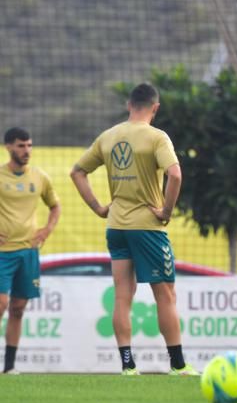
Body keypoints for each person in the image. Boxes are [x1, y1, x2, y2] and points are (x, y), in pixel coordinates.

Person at [71, 83, 197, 375]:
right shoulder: (156, 137)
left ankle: (128, 365)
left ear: (129, 105)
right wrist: (166, 211)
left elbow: (77, 172)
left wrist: (98, 207)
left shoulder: (108, 136)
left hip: (116, 227)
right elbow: (175, 174)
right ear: (155, 108)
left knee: (122, 296)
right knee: (165, 295)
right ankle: (178, 365)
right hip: (148, 228)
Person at [0, 127, 61, 374]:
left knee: (18, 308)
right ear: (8, 147)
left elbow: (55, 207)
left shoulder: (40, 177)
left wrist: (47, 230)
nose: (27, 150)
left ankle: (10, 367)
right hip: (3, 254)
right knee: (1, 303)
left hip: (28, 252)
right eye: (21, 146)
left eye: (29, 145)